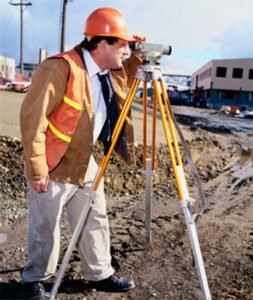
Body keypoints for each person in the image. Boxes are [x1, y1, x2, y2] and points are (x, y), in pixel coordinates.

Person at [20, 7, 145, 300]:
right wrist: (37, 168)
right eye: (122, 44)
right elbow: (32, 119)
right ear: (102, 43)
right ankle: (35, 279)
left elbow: (129, 77)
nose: (126, 50)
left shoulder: (108, 70)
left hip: (84, 160)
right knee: (45, 226)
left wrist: (136, 53)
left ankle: (99, 272)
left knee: (94, 217)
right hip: (54, 161)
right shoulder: (60, 68)